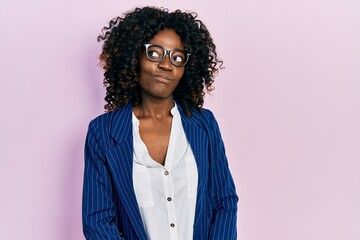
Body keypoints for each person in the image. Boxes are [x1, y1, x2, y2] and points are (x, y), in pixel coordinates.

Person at [82, 6, 238, 240]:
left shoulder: (204, 124)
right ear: (134, 56)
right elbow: (97, 221)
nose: (167, 65)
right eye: (155, 53)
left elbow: (225, 202)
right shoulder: (103, 132)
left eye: (177, 57)